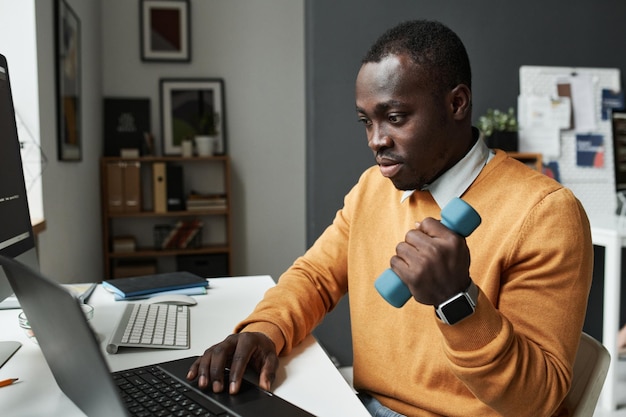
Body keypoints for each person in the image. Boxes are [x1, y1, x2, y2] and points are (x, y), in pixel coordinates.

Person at [187, 20, 593, 417]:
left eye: (395, 118)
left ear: (456, 103)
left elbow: (536, 401)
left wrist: (457, 301)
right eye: (367, 121)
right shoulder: (373, 188)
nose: (375, 140)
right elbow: (315, 276)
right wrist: (265, 331)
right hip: (363, 404)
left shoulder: (547, 213)